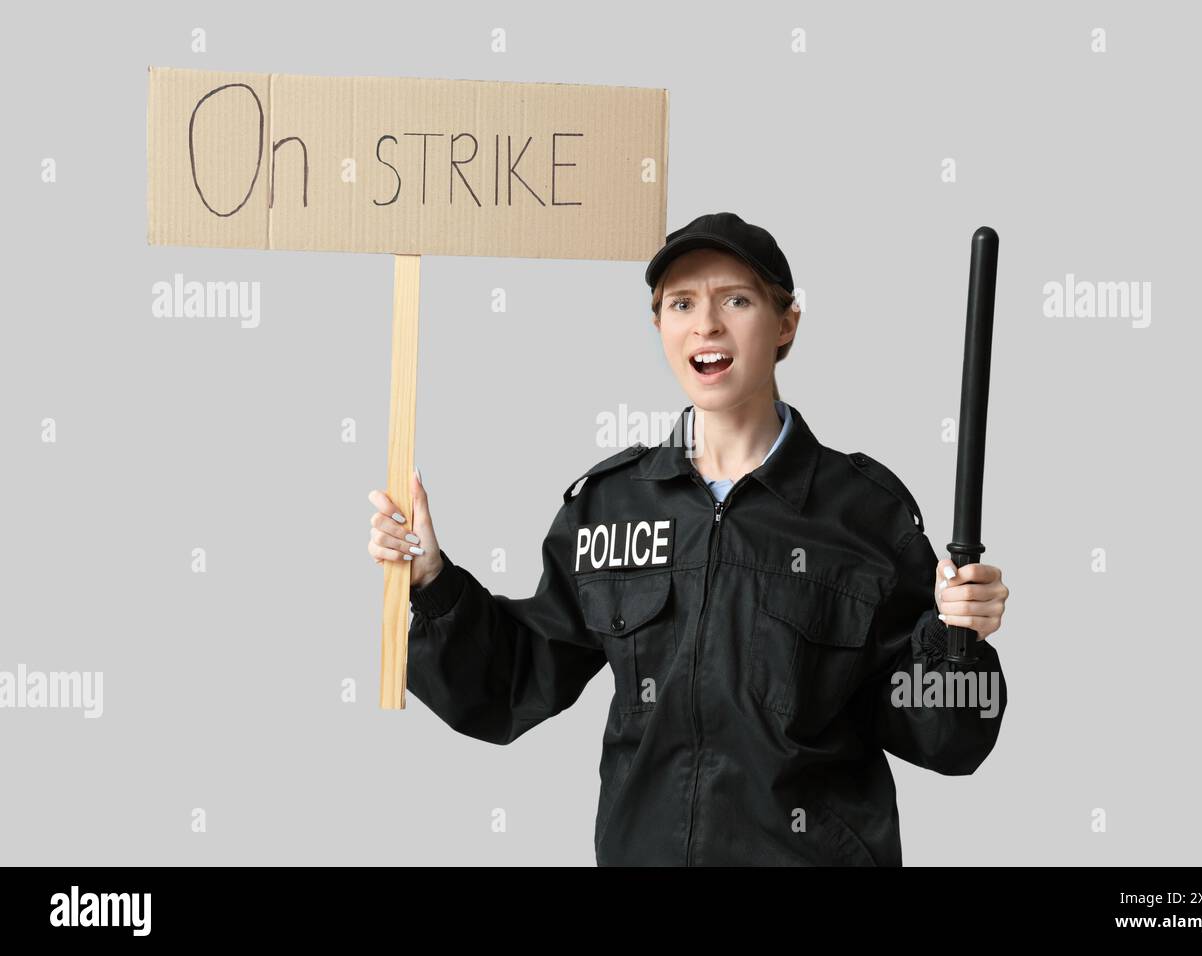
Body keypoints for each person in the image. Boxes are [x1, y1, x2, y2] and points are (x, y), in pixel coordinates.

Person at [366, 211, 1011, 866]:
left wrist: (953, 639)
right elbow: (512, 683)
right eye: (681, 303)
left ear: (785, 323)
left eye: (736, 298)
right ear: (659, 327)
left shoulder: (865, 517)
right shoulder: (608, 508)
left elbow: (948, 742)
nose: (706, 324)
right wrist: (430, 580)